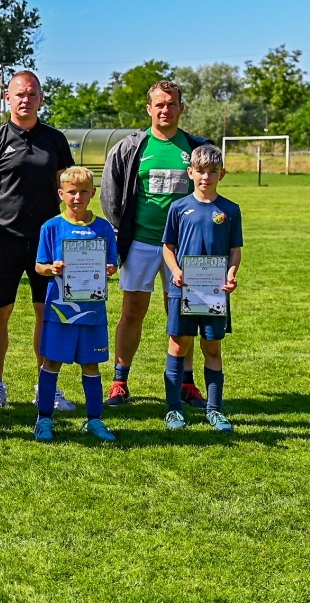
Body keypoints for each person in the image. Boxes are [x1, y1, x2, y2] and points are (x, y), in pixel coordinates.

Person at [0, 71, 75, 413]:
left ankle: (46, 387)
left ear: (40, 98)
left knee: (47, 315)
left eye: (31, 94)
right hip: (4, 241)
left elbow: (69, 186)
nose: (25, 99)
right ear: (8, 98)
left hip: (48, 242)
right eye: (19, 94)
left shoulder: (55, 140)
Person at [100, 81, 212, 407]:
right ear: (149, 109)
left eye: (171, 104)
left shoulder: (195, 148)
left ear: (181, 107)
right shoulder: (131, 147)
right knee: (132, 312)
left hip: (184, 250)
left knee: (181, 313)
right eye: (159, 104)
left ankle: (186, 382)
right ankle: (120, 381)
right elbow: (111, 196)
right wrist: (124, 231)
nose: (165, 110)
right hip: (141, 245)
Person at [32, 167, 119, 443]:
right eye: (71, 192)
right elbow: (38, 266)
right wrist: (52, 269)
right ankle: (44, 419)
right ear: (61, 194)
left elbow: (113, 264)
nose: (77, 197)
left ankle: (95, 420)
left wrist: (108, 269)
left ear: (93, 193)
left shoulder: (103, 227)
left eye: (83, 191)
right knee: (52, 362)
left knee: (91, 365)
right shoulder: (51, 227)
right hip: (60, 310)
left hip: (92, 311)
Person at [160, 145, 242, 433]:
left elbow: (235, 250)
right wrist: (176, 271)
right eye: (200, 171)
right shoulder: (179, 208)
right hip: (182, 289)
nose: (206, 177)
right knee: (178, 345)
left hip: (213, 292)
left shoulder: (230, 210)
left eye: (212, 172)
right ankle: (173, 410)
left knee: (212, 347)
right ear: (190, 172)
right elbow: (167, 247)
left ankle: (215, 411)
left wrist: (231, 274)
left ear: (222, 174)